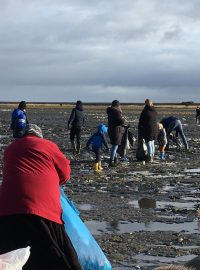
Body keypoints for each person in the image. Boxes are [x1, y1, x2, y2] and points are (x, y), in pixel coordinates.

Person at [0, 124, 83, 270]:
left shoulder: (10, 149)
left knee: (11, 251)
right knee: (56, 253)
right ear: (39, 135)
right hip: (42, 207)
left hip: (7, 208)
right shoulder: (47, 145)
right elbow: (65, 173)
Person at [106, 100, 125, 167]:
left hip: (111, 129)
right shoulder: (117, 112)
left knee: (114, 144)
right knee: (115, 145)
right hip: (116, 130)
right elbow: (121, 121)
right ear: (117, 105)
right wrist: (122, 115)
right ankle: (111, 161)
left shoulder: (109, 111)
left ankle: (115, 159)